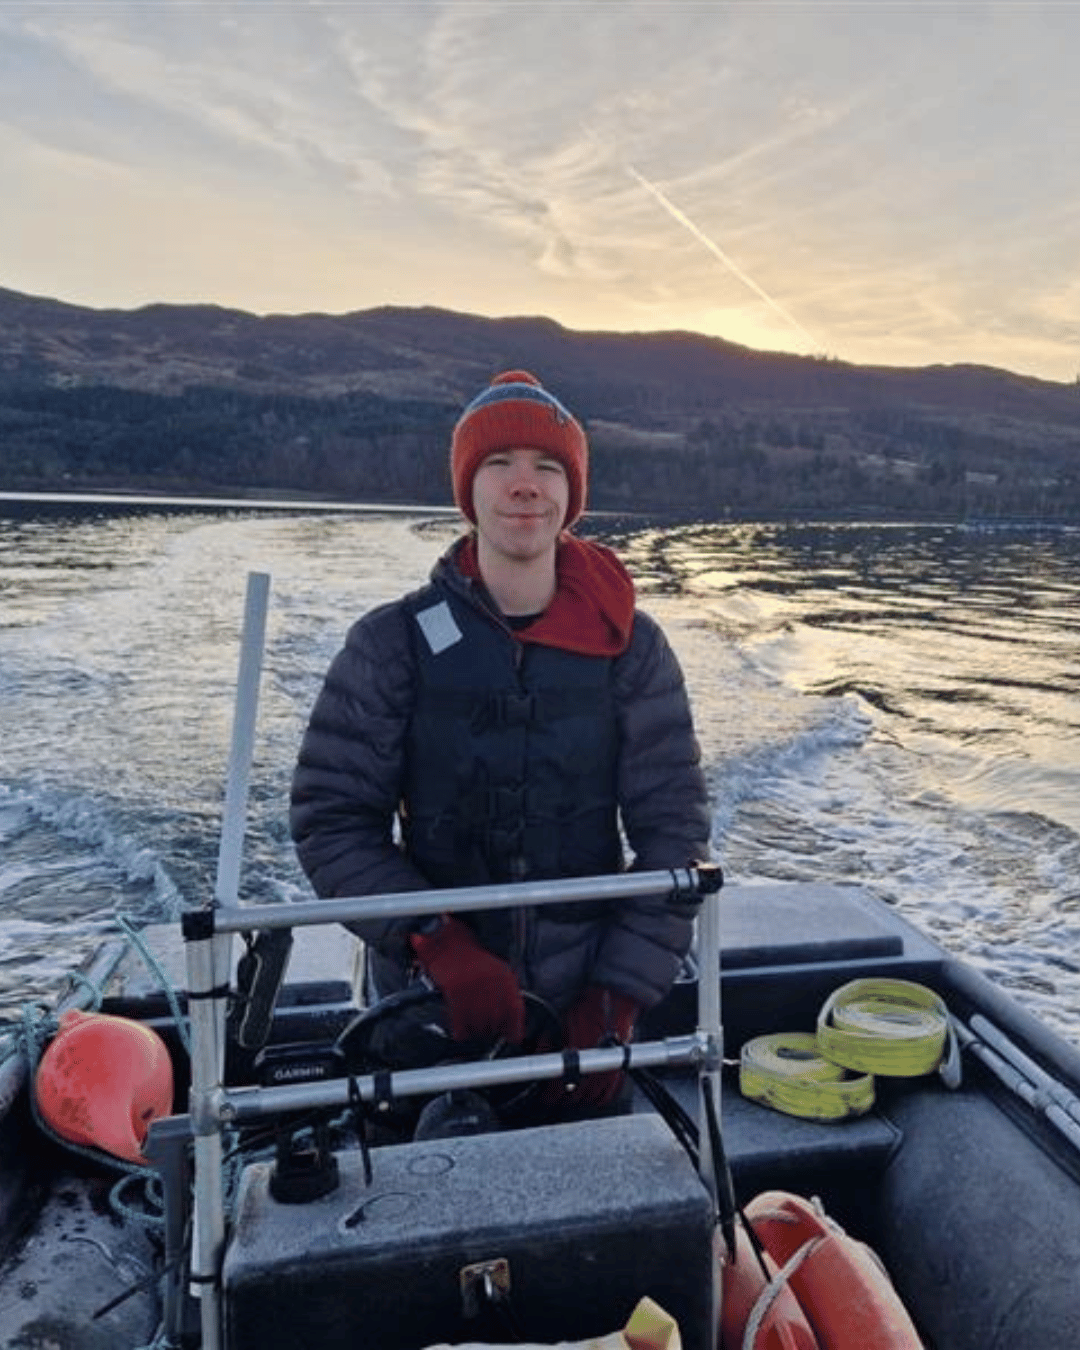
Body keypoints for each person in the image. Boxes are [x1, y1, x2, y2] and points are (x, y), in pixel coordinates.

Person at [290, 370, 711, 1112]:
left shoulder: (632, 649)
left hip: (588, 1013)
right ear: (468, 490)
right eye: (500, 463)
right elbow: (332, 819)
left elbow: (673, 831)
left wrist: (615, 1001)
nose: (525, 485)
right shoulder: (390, 645)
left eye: (548, 467)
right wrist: (434, 941)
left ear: (570, 496)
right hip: (428, 1006)